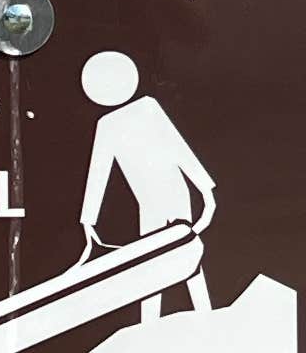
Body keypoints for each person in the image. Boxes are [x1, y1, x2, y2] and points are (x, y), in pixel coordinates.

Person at [77, 50, 215, 315]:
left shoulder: (148, 108)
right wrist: (88, 219)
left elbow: (178, 148)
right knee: (152, 264)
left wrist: (206, 190)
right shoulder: (108, 124)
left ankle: (204, 313)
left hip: (174, 192)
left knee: (183, 253)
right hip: (149, 201)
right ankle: (152, 322)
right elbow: (99, 171)